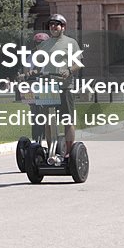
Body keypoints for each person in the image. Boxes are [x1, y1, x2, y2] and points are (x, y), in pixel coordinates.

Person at [40, 14, 80, 161]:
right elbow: (38, 64)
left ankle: (69, 152)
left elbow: (78, 63)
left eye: (56, 24)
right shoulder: (45, 44)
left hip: (64, 87)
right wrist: (31, 72)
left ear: (63, 27)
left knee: (67, 120)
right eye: (51, 24)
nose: (53, 27)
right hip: (47, 88)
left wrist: (69, 70)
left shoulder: (71, 43)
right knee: (48, 122)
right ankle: (51, 153)